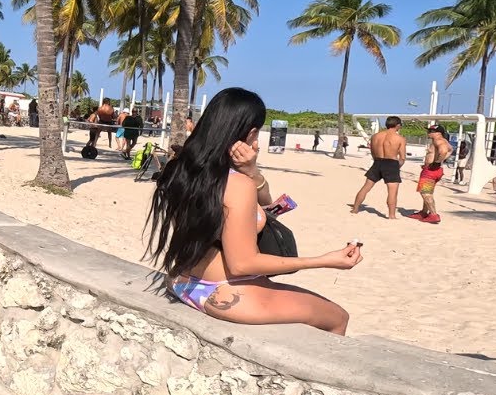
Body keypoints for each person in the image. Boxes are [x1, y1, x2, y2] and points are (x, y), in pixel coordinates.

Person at [148, 87, 362, 335]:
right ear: (249, 133)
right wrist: (325, 260)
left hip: (182, 279)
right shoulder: (236, 184)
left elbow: (264, 202)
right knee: (337, 317)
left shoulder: (181, 168)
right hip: (221, 289)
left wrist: (252, 171)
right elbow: (242, 264)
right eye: (257, 132)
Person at [350, 116, 406, 219]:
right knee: (392, 191)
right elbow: (402, 158)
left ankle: (355, 209)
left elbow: (373, 152)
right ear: (397, 125)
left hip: (377, 162)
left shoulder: (375, 136)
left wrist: (377, 161)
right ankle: (392, 215)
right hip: (391, 163)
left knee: (366, 187)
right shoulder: (400, 139)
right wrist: (397, 167)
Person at [410, 125, 452, 224]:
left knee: (425, 192)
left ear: (439, 133)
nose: (429, 132)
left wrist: (437, 162)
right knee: (428, 191)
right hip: (434, 170)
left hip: (431, 171)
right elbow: (450, 150)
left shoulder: (439, 141)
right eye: (429, 130)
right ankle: (424, 212)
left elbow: (444, 151)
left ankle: (433, 215)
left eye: (431, 131)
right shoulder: (442, 141)